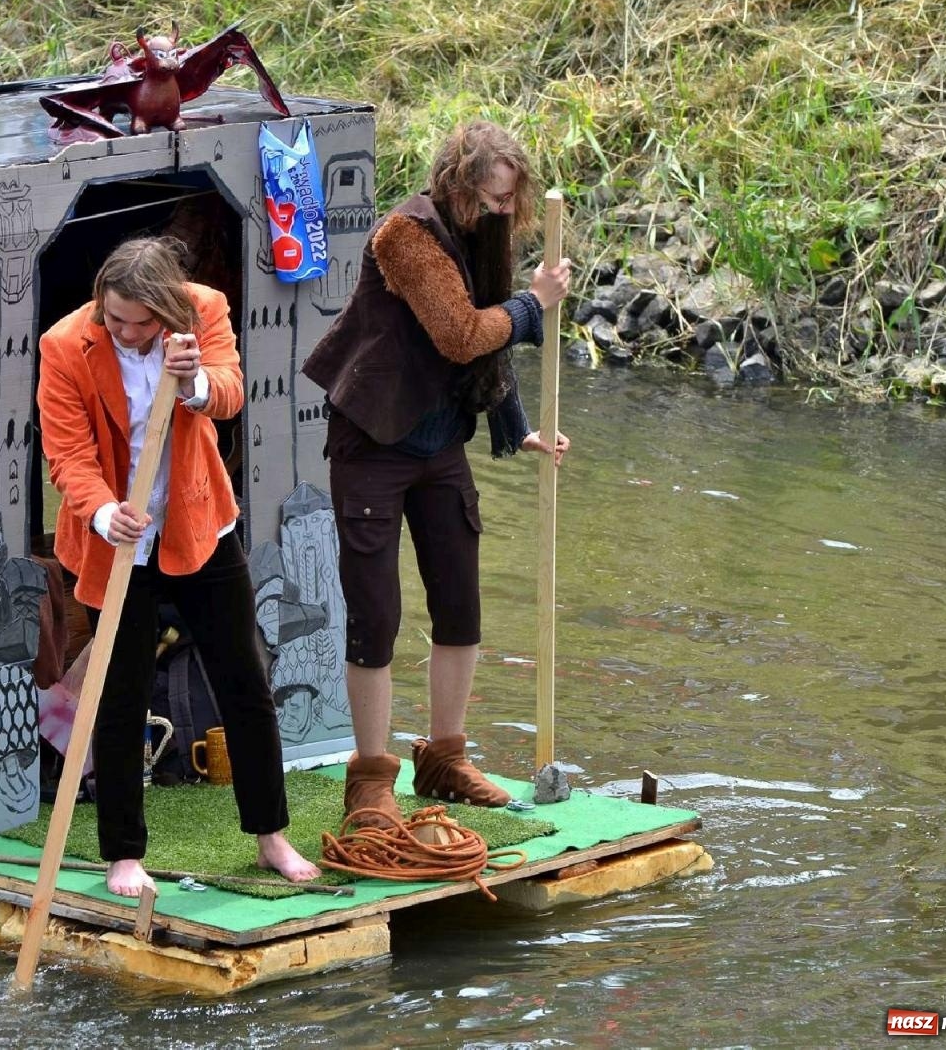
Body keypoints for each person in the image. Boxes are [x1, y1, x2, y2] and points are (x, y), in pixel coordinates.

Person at [301, 121, 573, 828]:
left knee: (460, 604)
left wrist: (520, 428)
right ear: (457, 186)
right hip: (374, 440)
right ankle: (369, 781)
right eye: (492, 198)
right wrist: (532, 305)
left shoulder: (486, 232)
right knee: (376, 616)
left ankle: (444, 759)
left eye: (512, 199)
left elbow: (488, 350)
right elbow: (461, 333)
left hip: (438, 441)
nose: (504, 213)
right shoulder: (405, 236)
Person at [37, 237, 321, 896]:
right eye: (117, 321)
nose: (130, 334)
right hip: (118, 536)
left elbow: (230, 394)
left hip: (197, 521)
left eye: (143, 322)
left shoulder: (203, 312)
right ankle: (124, 854)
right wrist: (105, 513)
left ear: (167, 309)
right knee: (121, 690)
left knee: (244, 679)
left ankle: (271, 833)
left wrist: (192, 380)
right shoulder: (64, 346)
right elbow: (67, 453)